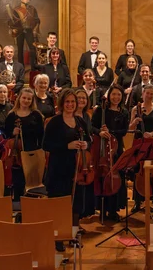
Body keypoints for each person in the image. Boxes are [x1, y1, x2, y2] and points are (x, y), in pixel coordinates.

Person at [44, 89, 93, 223]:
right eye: (67, 102)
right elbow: (46, 145)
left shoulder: (80, 122)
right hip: (59, 169)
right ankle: (59, 235)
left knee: (76, 204)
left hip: (77, 168)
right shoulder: (54, 122)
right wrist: (67, 146)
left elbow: (89, 140)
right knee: (59, 203)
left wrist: (86, 144)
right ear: (62, 103)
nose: (70, 104)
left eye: (72, 102)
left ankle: (74, 231)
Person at [91, 84, 129, 221]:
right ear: (109, 95)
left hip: (116, 148)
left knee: (116, 177)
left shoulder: (124, 112)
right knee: (102, 177)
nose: (116, 97)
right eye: (114, 94)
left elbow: (124, 132)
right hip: (101, 148)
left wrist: (110, 132)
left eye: (119, 95)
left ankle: (113, 210)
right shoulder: (101, 110)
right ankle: (102, 209)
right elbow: (92, 127)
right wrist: (100, 132)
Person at [129, 85, 153, 213]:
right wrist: (135, 122)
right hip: (139, 143)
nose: (149, 96)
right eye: (147, 93)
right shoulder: (136, 109)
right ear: (142, 94)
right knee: (138, 171)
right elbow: (130, 128)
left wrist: (152, 134)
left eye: (151, 94)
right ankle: (137, 201)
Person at [5, 88, 44, 201]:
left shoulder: (36, 115)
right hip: (16, 155)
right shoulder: (12, 115)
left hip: (32, 152)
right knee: (18, 183)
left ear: (32, 101)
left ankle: (31, 211)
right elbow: (6, 133)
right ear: (19, 98)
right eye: (24, 98)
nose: (26, 100)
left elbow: (41, 134)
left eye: (29, 99)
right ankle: (18, 210)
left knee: (32, 184)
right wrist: (13, 132)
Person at [72, 88, 96, 219]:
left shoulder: (87, 116)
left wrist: (88, 142)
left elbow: (89, 134)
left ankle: (84, 212)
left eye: (84, 98)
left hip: (85, 152)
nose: (82, 100)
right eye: (79, 97)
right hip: (73, 153)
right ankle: (75, 217)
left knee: (86, 181)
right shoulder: (70, 114)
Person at [7, 0, 41, 68]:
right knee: (20, 49)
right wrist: (13, 28)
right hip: (20, 31)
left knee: (32, 49)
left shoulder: (32, 9)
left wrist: (35, 29)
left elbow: (37, 20)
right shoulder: (16, 9)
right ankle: (20, 67)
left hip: (29, 31)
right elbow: (11, 21)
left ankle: (34, 67)